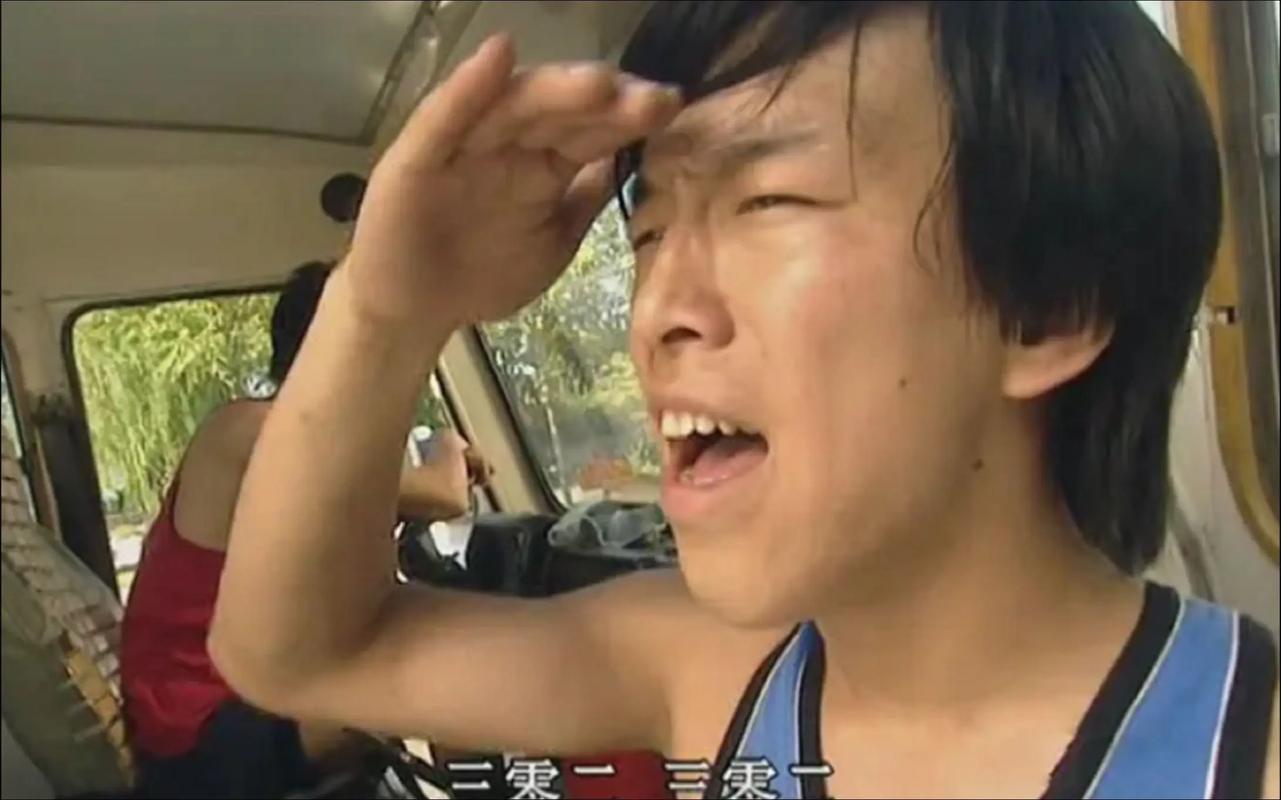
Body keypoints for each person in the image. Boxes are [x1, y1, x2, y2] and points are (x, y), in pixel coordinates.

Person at [210, 3, 1280, 799]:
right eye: (650, 230)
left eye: (768, 199)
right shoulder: (715, 668)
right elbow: (292, 652)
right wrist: (390, 308)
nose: (656, 311)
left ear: (1046, 307)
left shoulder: (1248, 753)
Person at [120, 261, 483, 797]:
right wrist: (450, 444)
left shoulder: (299, 445)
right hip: (202, 731)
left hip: (244, 701)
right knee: (449, 675)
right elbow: (443, 495)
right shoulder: (249, 431)